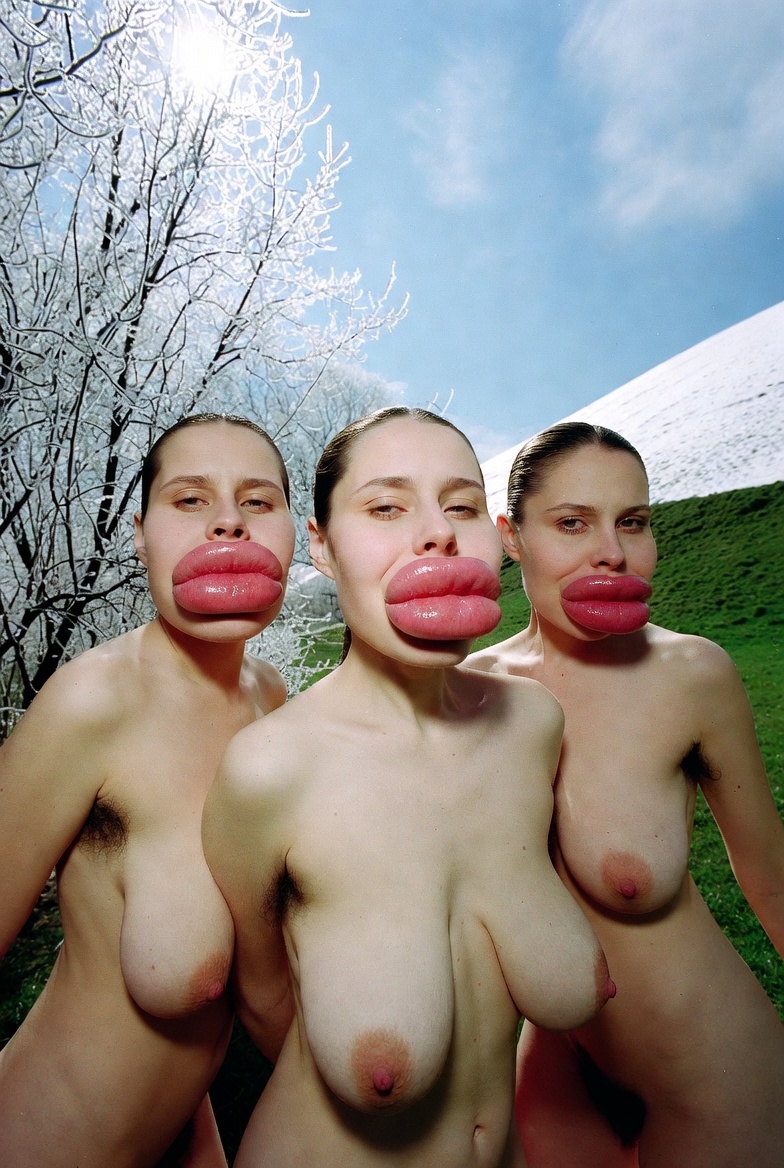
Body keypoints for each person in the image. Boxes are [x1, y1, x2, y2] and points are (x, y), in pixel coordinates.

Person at [202, 406, 613, 1168]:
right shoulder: (269, 769)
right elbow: (262, 995)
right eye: (387, 507)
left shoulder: (533, 729)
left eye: (461, 506)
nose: (437, 535)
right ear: (322, 547)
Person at [467, 421, 784, 1168]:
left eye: (633, 522)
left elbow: (770, 872)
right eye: (572, 523)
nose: (612, 551)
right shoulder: (469, 692)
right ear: (511, 536)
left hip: (709, 1070)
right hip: (556, 1072)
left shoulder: (692, 676)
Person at [0, 413, 296, 1168]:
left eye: (258, 501)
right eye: (190, 499)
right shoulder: (90, 703)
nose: (228, 522)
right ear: (139, 535)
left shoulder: (274, 701)